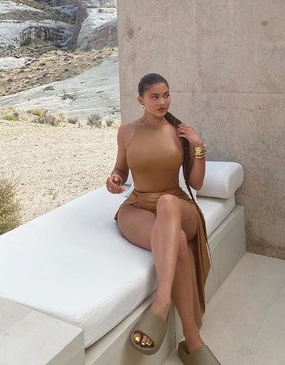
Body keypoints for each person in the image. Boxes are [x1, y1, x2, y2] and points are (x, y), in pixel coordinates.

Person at [105, 73, 220, 364]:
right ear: (140, 100)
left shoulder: (179, 132)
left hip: (177, 206)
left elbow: (195, 183)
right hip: (138, 205)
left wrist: (198, 146)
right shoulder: (126, 132)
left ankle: (161, 304)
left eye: (166, 95)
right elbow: (121, 168)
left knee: (167, 203)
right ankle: (192, 342)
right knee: (175, 240)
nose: (162, 101)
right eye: (155, 96)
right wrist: (115, 178)